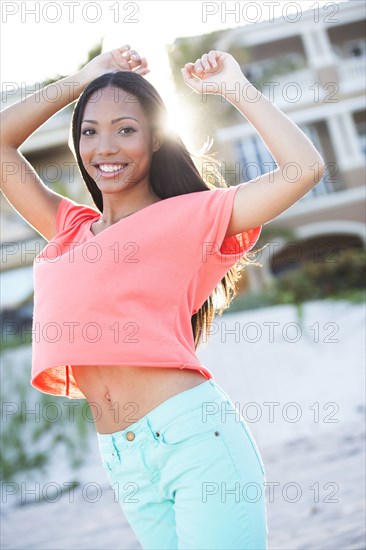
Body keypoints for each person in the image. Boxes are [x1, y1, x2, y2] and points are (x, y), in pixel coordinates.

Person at [1, 45, 324, 549]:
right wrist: (82, 78)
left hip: (193, 441)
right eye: (90, 130)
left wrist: (236, 87)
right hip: (122, 457)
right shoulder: (69, 229)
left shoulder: (191, 215)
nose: (104, 146)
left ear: (155, 140)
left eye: (125, 129)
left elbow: (303, 169)